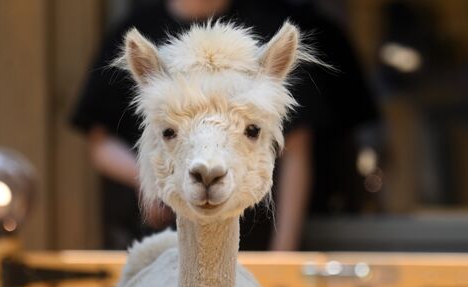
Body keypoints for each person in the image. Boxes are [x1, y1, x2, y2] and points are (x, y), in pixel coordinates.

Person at [71, 0, 378, 250]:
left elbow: (296, 150)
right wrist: (149, 184)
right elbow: (100, 143)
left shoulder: (264, 27)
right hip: (157, 237)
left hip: (251, 239)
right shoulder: (137, 31)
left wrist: (282, 251)